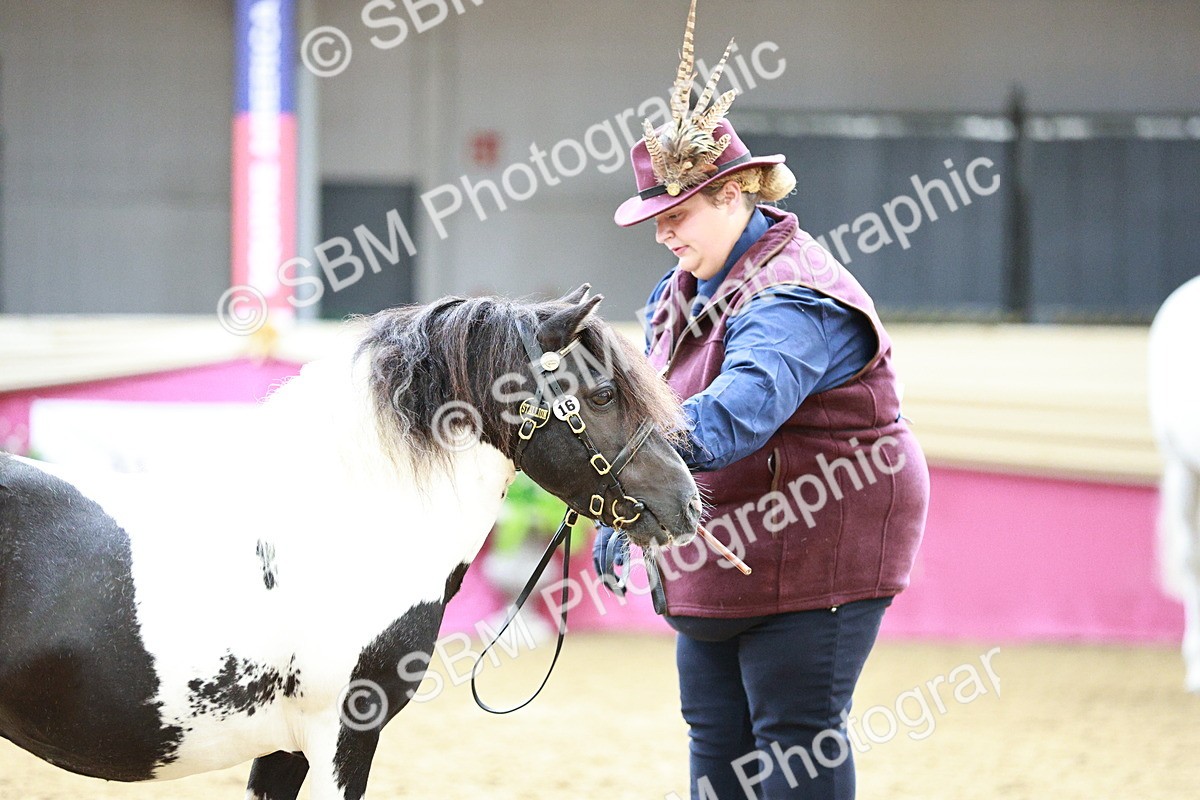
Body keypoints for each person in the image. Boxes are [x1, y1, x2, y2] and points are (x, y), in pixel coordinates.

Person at [592, 2, 929, 798]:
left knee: (794, 736)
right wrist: (618, 509)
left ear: (740, 190)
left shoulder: (794, 296)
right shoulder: (675, 293)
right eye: (656, 217)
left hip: (820, 541)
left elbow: (728, 420)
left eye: (679, 213)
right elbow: (656, 415)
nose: (663, 232)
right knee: (714, 733)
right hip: (731, 548)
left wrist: (612, 476)